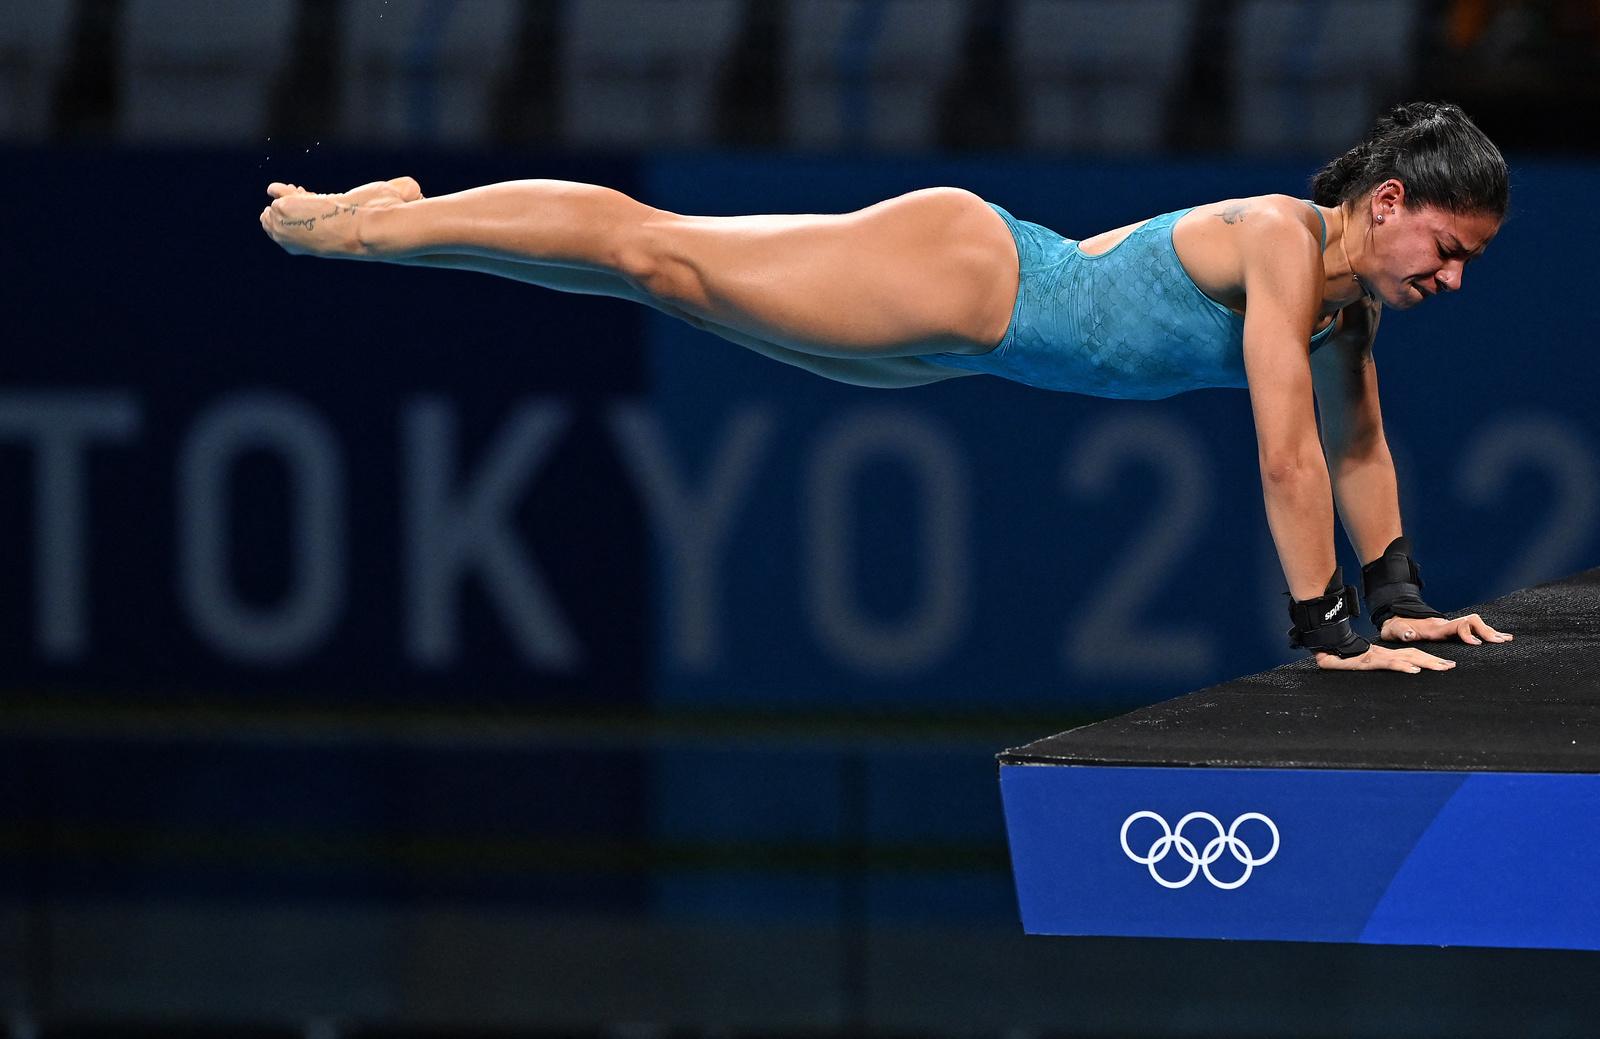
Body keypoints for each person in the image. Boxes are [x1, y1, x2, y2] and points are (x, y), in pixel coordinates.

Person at [259, 100, 1514, 675]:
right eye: (1446, 252)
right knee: (660, 244)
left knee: (663, 285)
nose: (1451, 281)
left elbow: (1359, 456)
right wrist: (1323, 635)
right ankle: (370, 226)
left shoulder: (1346, 311)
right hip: (966, 272)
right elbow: (1286, 455)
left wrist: (1396, 597)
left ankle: (423, 221)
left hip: (954, 345)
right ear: (1387, 202)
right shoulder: (1284, 245)